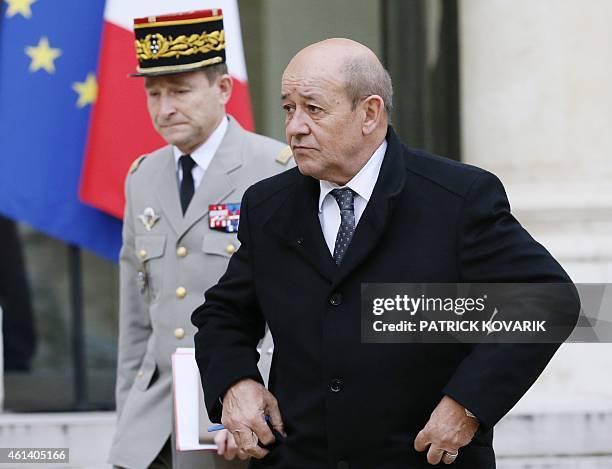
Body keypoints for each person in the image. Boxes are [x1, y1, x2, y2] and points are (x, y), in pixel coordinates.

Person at [191, 38, 580, 469]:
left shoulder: (457, 198)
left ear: (370, 113)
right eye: (288, 108)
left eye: (313, 109)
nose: (295, 126)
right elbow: (224, 315)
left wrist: (467, 405)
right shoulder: (267, 205)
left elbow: (549, 300)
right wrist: (236, 383)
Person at [109, 9, 292, 469]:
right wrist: (126, 414)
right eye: (154, 94)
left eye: (180, 91)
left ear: (224, 88)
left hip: (233, 419)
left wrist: (250, 400)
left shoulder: (274, 169)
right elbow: (137, 320)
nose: (164, 107)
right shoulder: (142, 175)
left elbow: (287, 313)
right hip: (149, 427)